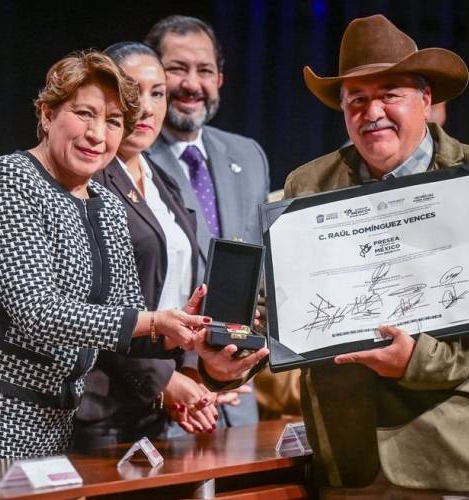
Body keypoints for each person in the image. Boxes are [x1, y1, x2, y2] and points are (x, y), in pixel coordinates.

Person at [198, 14, 469, 498]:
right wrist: (232, 357)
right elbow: (282, 309)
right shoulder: (307, 184)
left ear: (425, 99)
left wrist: (415, 361)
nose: (371, 110)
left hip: (451, 455)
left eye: (389, 94)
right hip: (347, 462)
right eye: (356, 99)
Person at [0, 51, 210, 460]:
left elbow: (126, 320)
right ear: (47, 113)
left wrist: (194, 339)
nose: (97, 134)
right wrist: (153, 321)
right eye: (84, 113)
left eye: (112, 121)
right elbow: (37, 313)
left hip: (60, 428)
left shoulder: (106, 205)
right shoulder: (7, 181)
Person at [73, 42, 225, 449]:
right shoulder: (87, 183)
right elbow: (88, 304)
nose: (146, 106)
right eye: (131, 91)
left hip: (157, 408)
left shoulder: (163, 181)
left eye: (157, 92)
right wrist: (164, 380)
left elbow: (183, 291)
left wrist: (190, 370)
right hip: (102, 408)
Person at [145, 14, 269, 428]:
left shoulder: (249, 155)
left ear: (221, 79)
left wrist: (237, 365)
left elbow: (261, 277)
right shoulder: (127, 158)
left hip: (240, 400)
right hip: (164, 400)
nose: (192, 84)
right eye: (177, 69)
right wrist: (176, 377)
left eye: (205, 71)